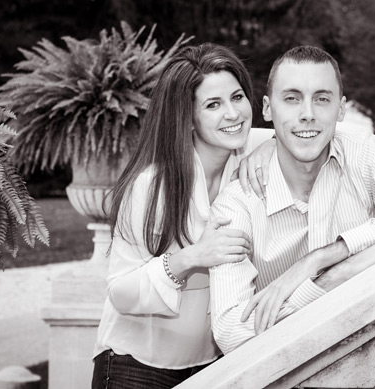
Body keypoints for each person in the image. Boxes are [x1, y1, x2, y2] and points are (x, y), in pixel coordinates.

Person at [208, 46, 375, 388]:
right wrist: (331, 280)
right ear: (267, 108)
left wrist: (325, 257)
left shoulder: (362, 154)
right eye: (292, 98)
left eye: (322, 99)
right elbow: (230, 331)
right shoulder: (237, 202)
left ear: (341, 108)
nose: (308, 114)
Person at [91, 43, 275, 389]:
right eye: (213, 105)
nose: (234, 114)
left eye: (237, 97)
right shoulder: (151, 186)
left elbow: (314, 135)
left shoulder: (252, 153)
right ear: (188, 118)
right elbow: (120, 290)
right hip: (136, 367)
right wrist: (191, 258)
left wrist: (266, 147)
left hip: (215, 365)